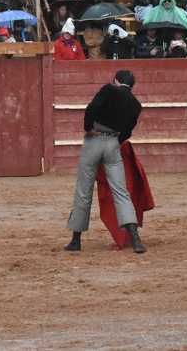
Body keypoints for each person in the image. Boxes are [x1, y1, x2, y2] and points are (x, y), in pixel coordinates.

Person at [64, 70, 146, 254]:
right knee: (121, 192)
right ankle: (136, 240)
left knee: (84, 190)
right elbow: (128, 131)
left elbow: (91, 109)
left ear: (116, 80)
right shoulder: (136, 104)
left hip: (94, 140)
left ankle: (76, 241)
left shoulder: (109, 90)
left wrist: (88, 128)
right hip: (113, 144)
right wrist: (116, 141)